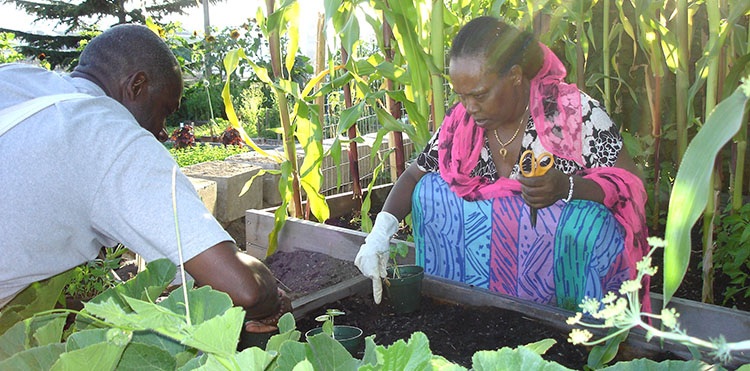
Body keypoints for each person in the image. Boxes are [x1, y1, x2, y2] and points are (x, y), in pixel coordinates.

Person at [0, 24, 289, 333]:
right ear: (136, 86)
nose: (163, 133)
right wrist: (274, 301)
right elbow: (245, 289)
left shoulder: (16, 79)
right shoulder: (109, 135)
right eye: (164, 112)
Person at [356, 16, 651, 312]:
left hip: (571, 290)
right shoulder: (461, 125)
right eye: (461, 96)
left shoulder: (572, 114)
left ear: (515, 76)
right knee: (431, 190)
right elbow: (413, 177)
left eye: (480, 95)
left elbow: (632, 186)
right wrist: (379, 235)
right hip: (484, 295)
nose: (470, 107)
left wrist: (567, 187)